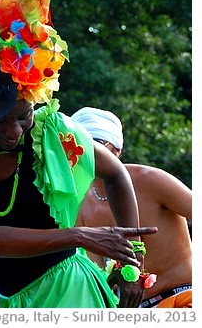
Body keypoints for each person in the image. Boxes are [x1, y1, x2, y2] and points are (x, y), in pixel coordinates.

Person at [0, 0, 157, 308]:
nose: (13, 131)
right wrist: (81, 236)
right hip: (9, 298)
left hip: (70, 290)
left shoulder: (53, 129)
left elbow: (116, 174)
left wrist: (130, 263)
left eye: (23, 117)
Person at [72, 106, 192, 308]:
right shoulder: (80, 203)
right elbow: (100, 276)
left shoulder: (151, 179)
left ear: (117, 151)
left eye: (97, 145)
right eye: (78, 145)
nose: (88, 153)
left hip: (184, 296)